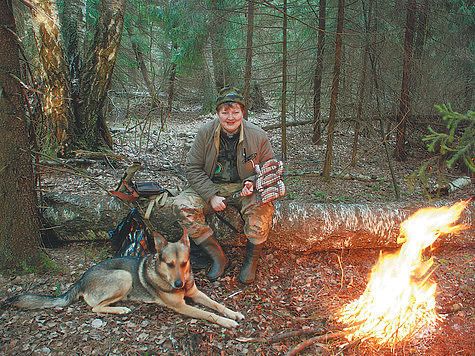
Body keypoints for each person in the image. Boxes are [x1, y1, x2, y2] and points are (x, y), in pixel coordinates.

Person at [173, 87, 275, 284]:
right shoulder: (205, 133)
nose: (230, 118)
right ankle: (218, 257)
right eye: (225, 112)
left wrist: (252, 182)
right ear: (217, 113)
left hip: (245, 189)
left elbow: (269, 167)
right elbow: (193, 168)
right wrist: (211, 195)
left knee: (262, 210)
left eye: (235, 112)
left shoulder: (258, 135)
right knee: (181, 206)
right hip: (212, 185)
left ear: (242, 113)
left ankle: (251, 262)